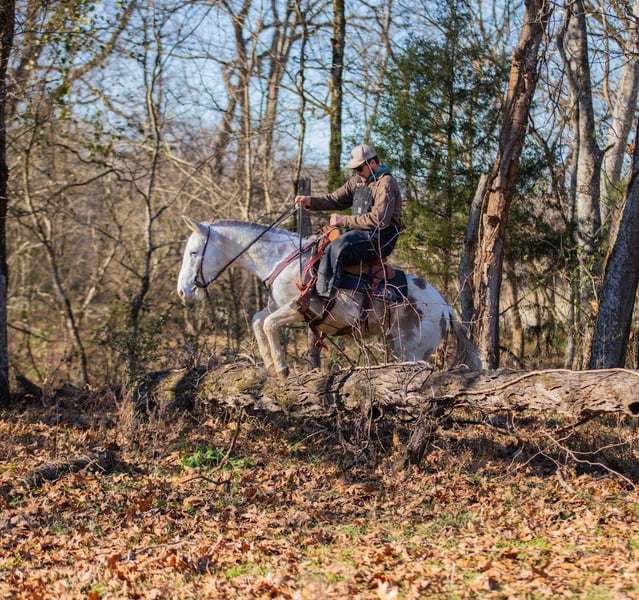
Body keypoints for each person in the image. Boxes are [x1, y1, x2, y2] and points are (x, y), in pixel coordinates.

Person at [294, 143, 403, 300]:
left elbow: (379, 220)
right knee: (321, 242)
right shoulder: (357, 181)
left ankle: (324, 297)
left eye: (359, 168)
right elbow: (334, 200)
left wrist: (344, 220)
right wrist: (310, 201)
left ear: (372, 162)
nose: (357, 172)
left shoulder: (386, 183)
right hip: (359, 234)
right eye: (354, 169)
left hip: (380, 239)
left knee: (338, 246)